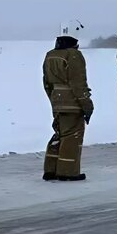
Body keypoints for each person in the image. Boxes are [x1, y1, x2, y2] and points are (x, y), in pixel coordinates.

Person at [42, 20, 93, 181]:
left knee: (59, 135)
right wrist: (87, 105)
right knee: (72, 137)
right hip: (72, 104)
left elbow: (46, 83)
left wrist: (54, 101)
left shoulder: (50, 55)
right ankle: (68, 171)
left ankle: (50, 169)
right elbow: (79, 84)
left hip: (57, 103)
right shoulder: (74, 55)